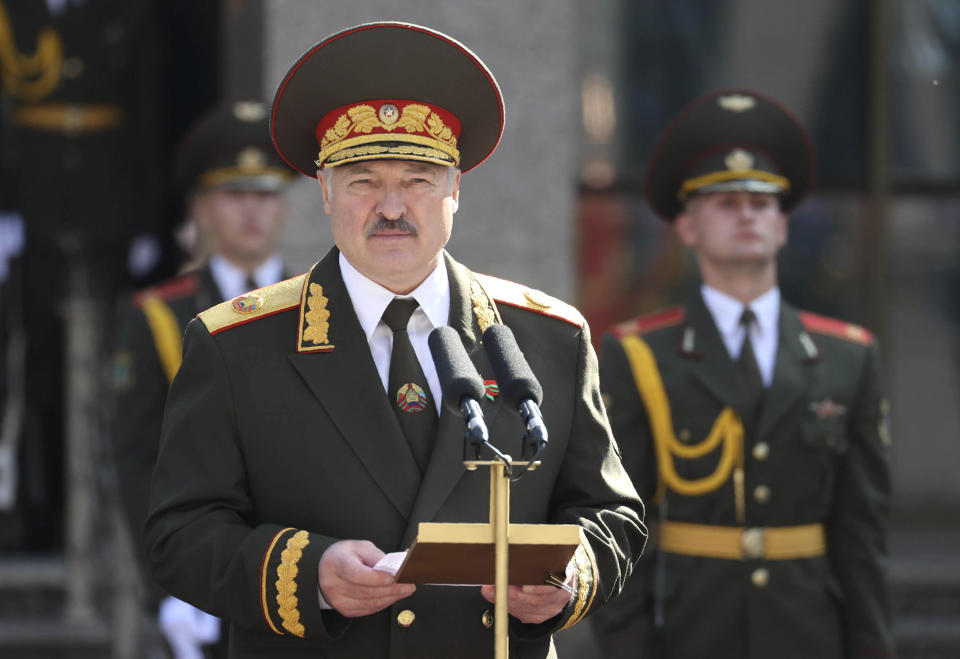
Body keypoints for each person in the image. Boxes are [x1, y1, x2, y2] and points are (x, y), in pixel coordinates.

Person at [143, 22, 645, 658]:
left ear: (455, 190)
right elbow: (178, 534)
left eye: (417, 180)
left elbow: (611, 515)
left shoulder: (547, 338)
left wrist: (567, 581)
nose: (390, 206)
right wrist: (308, 574)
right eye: (363, 181)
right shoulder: (238, 344)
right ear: (324, 192)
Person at [589, 89, 894, 659]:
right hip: (689, 633)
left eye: (762, 203)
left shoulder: (849, 357)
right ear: (687, 227)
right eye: (725, 202)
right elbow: (620, 528)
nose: (748, 214)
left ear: (782, 226)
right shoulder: (639, 355)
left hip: (810, 634)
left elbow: (861, 538)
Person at [111, 100, 294, 658]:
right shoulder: (158, 317)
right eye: (234, 195)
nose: (252, 213)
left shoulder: (322, 307)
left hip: (301, 570)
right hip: (203, 575)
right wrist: (166, 587)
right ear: (202, 208)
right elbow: (137, 459)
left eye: (265, 195)